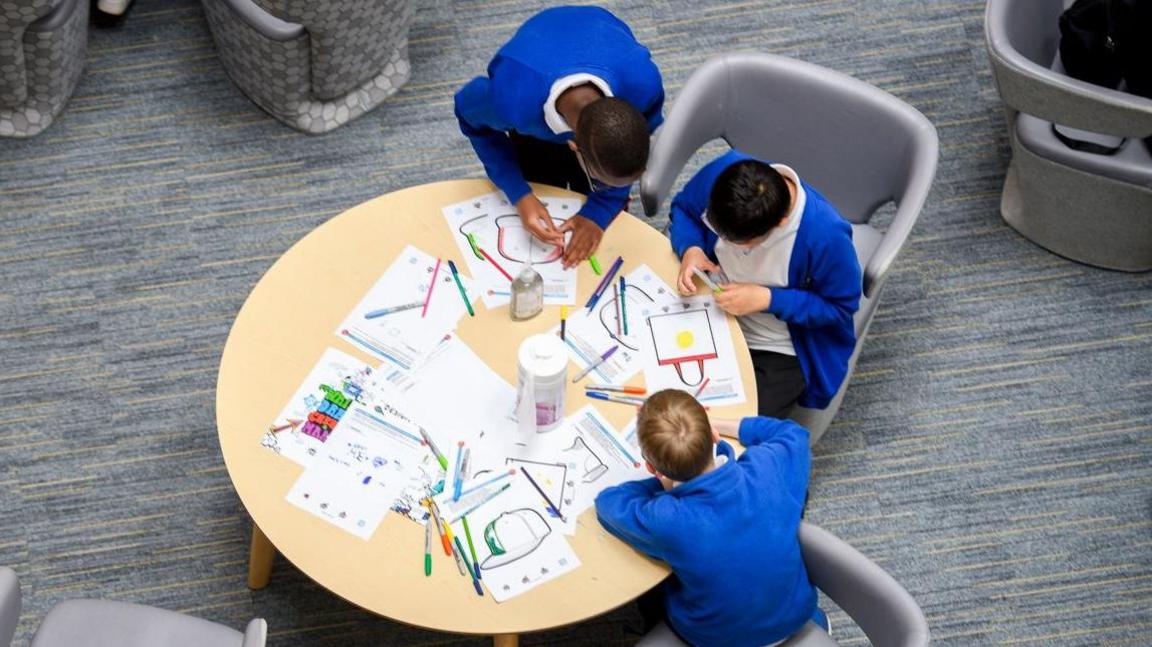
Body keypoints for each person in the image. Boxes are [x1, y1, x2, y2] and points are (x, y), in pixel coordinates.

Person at [595, 389, 825, 647]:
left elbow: (608, 503)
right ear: (714, 437)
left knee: (656, 586)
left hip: (716, 638)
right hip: (795, 616)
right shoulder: (768, 467)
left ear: (651, 468)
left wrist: (664, 483)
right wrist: (710, 426)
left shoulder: (667, 518)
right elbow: (793, 434)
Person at [454, 6, 664, 267]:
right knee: (541, 179)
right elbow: (467, 113)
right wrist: (519, 194)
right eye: (604, 183)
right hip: (531, 82)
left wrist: (600, 210)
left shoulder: (644, 86)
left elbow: (633, 149)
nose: (617, 188)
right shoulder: (511, 103)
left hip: (599, 40)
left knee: (607, 173)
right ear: (573, 146)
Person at [669, 150, 862, 417]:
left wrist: (768, 299)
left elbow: (840, 307)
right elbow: (684, 210)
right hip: (712, 308)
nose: (721, 240)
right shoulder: (725, 173)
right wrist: (691, 247)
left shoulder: (825, 236)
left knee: (723, 426)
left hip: (777, 346)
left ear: (779, 224)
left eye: (738, 242)